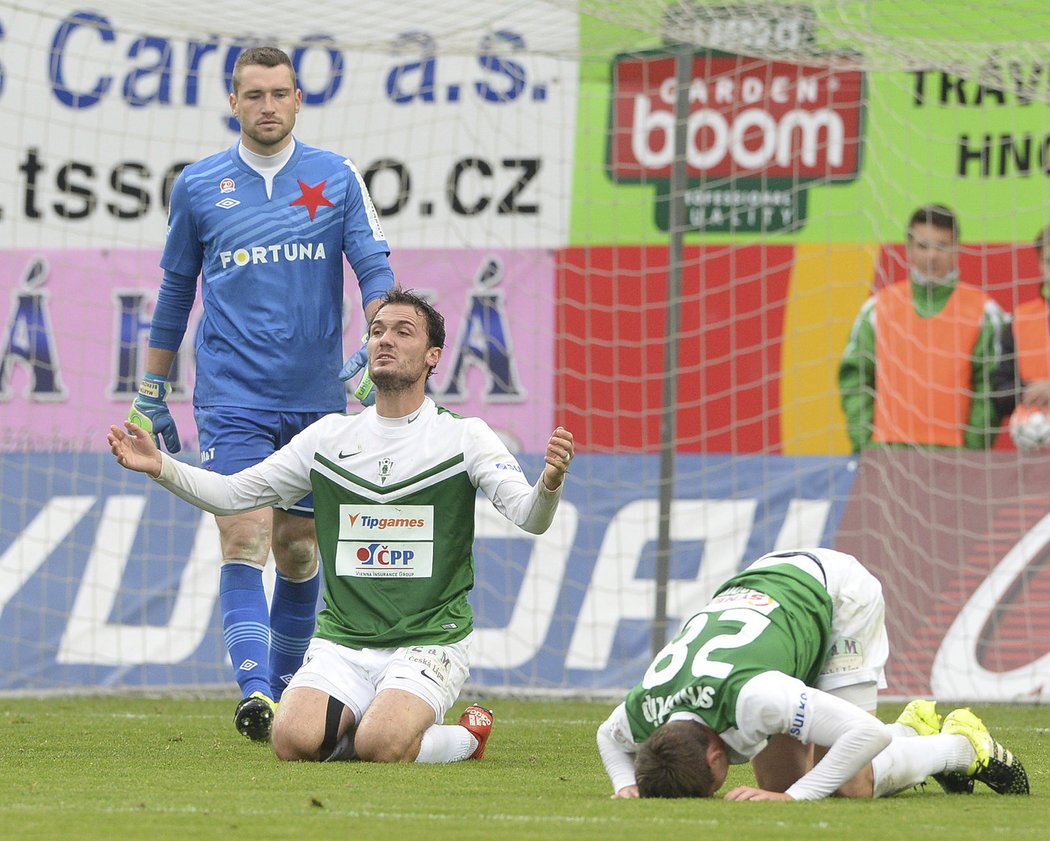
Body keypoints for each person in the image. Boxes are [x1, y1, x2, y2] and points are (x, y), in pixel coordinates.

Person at [110, 288, 576, 765]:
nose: (385, 340)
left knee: (381, 747)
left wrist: (549, 483)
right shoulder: (330, 438)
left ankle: (464, 739)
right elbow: (235, 494)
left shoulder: (464, 437)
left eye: (402, 332)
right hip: (343, 643)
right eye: (376, 332)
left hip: (430, 640)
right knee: (290, 741)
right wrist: (161, 467)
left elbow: (530, 518)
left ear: (433, 356)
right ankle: (368, 720)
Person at [126, 46, 395, 740]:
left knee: (300, 549)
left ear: (299, 99)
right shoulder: (199, 186)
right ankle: (255, 692)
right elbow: (174, 294)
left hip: (315, 398)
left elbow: (372, 265)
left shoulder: (335, 177)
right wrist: (152, 389)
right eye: (254, 94)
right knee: (241, 533)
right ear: (234, 102)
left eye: (279, 93)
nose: (267, 105)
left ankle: (281, 689)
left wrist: (380, 334)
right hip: (232, 394)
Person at [596, 548, 1030, 800]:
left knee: (851, 784)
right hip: (768, 593)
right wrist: (623, 784)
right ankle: (913, 731)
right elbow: (607, 735)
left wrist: (794, 798)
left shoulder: (756, 699)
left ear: (714, 758)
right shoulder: (646, 708)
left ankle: (962, 746)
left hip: (837, 595)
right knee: (783, 778)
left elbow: (866, 735)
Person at [839, 204, 1007, 452]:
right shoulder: (877, 309)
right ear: (908, 249)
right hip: (888, 459)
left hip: (958, 462)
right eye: (923, 246)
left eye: (941, 245)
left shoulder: (985, 312)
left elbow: (991, 387)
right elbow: (855, 381)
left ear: (956, 249)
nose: (931, 256)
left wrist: (972, 452)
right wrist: (867, 445)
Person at [992, 225, 1050, 420]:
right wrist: (1029, 390)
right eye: (1049, 261)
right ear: (1040, 264)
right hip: (1033, 445)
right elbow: (999, 392)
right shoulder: (1021, 319)